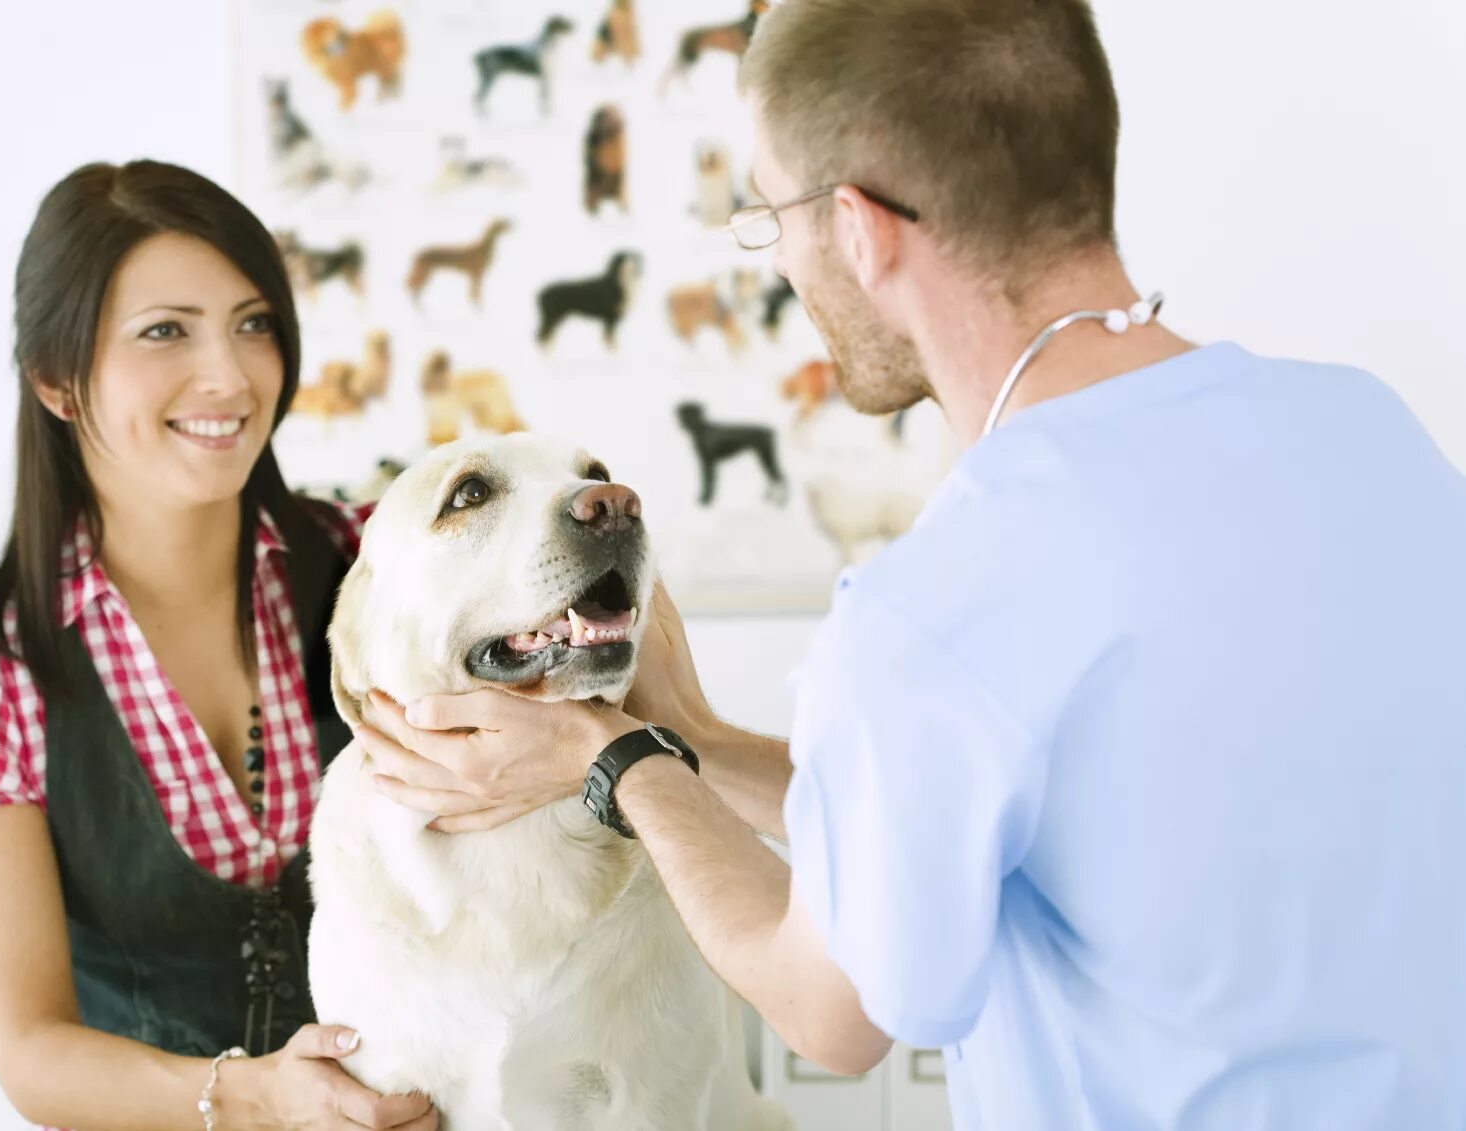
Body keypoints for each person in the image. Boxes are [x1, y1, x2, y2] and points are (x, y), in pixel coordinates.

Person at [351, 1, 1466, 1127]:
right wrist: (698, 743)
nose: (780, 254)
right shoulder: (1368, 432)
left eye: (770, 213)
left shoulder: (940, 601)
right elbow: (995, 812)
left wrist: (615, 755)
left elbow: (830, 1009)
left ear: (858, 226)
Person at [0, 160, 437, 1131]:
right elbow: (32, 1054)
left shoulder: (380, 565)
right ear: (58, 381)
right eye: (165, 332)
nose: (230, 376)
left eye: (254, 322)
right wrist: (257, 1096)